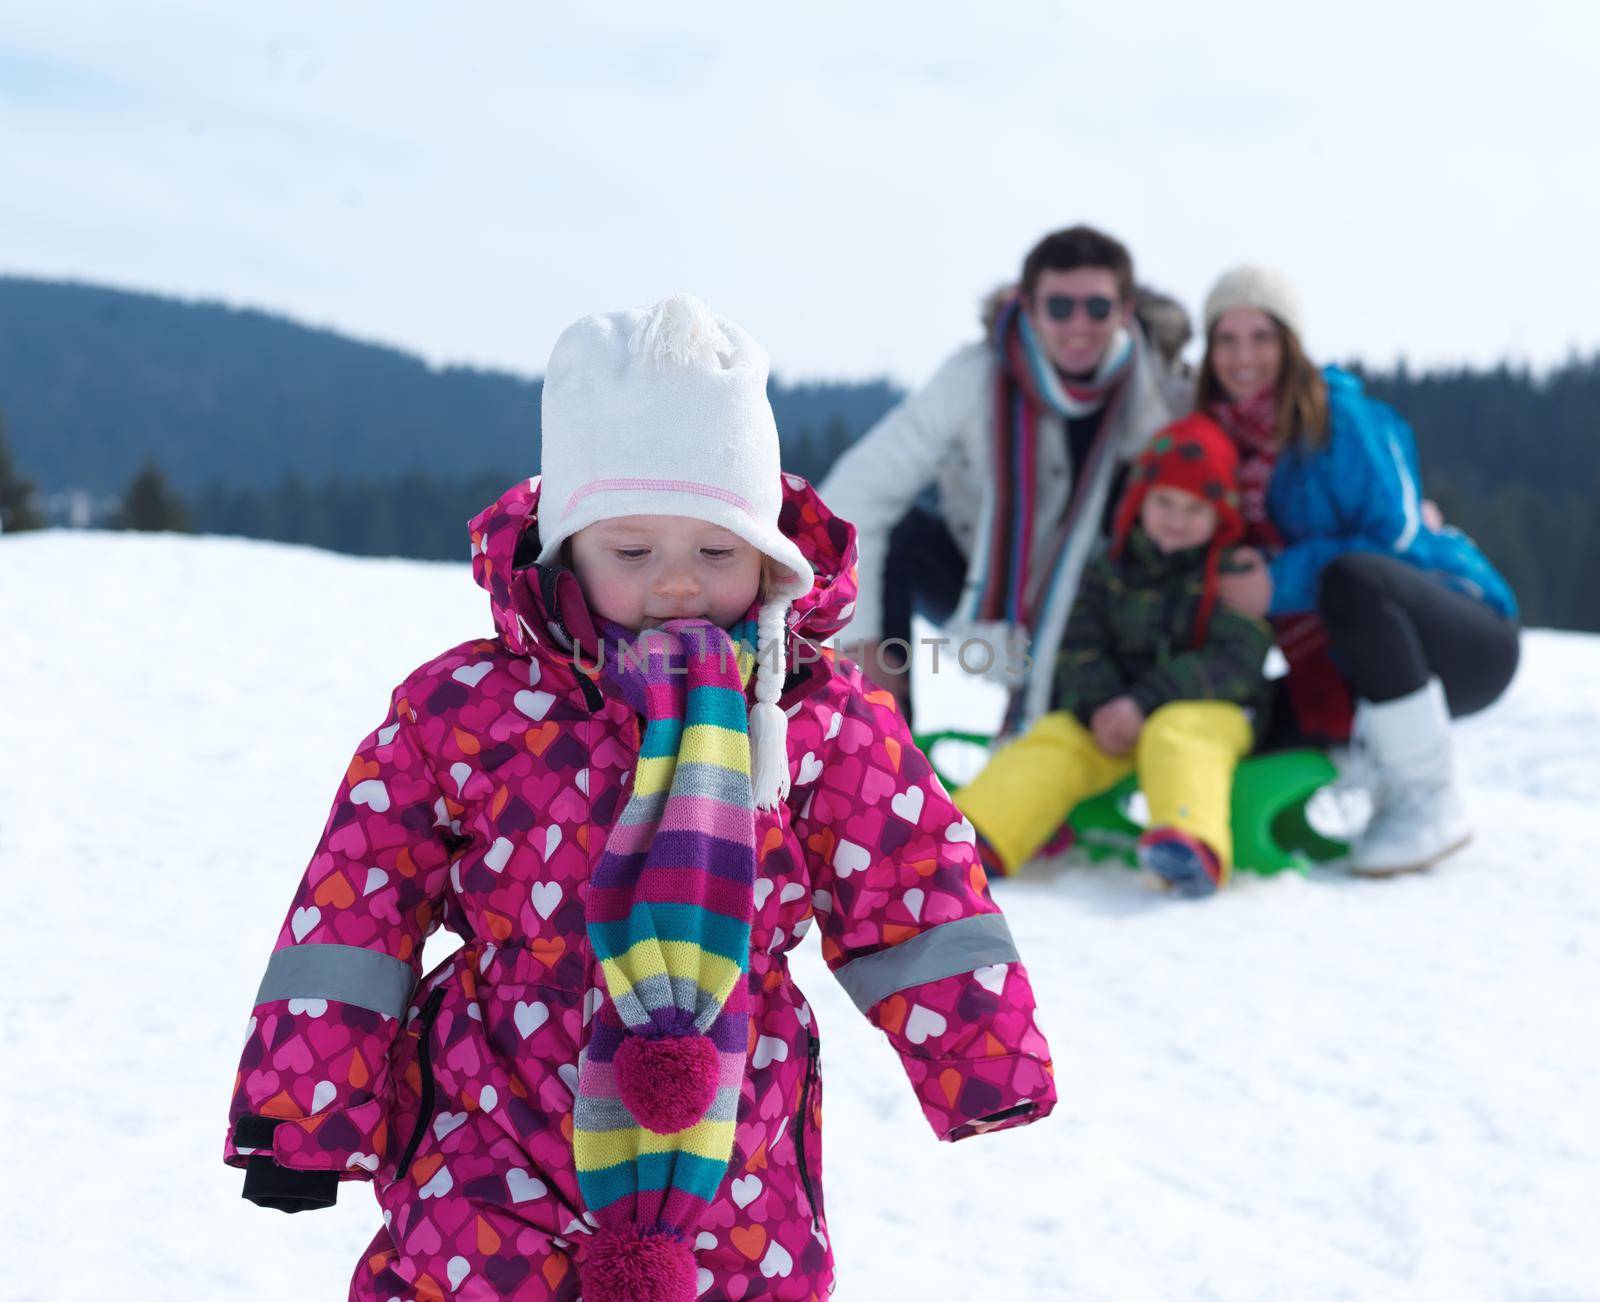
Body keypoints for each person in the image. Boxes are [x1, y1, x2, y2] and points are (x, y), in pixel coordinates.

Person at [222, 294, 1055, 1302]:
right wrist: (303, 1111)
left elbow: (914, 888)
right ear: (565, 545)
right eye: (632, 551)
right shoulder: (465, 707)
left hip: (732, 1132)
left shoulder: (812, 718)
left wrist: (986, 1056)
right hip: (491, 1116)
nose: (676, 585)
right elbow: (357, 902)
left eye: (715, 552)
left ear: (770, 557)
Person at [1198, 266, 1520, 876]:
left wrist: (1277, 580)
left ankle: (1427, 799)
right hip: (1346, 657)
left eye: (1261, 337)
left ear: (1290, 343)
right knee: (1260, 728)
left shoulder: (1340, 418)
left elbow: (1393, 534)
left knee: (1351, 577)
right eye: (1226, 338)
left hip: (1462, 632)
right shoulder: (1219, 442)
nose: (1243, 357)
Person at [820, 225, 1188, 732]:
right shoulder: (972, 379)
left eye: (1097, 308)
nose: (1078, 325)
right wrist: (864, 642)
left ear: (1125, 311)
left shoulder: (1160, 397)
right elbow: (857, 495)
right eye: (1060, 307)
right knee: (901, 534)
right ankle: (882, 742)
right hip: (985, 586)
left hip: (1095, 604)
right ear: (1030, 307)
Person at [953, 414, 1272, 897]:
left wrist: (1144, 703)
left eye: (1195, 508)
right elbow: (1079, 647)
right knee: (1057, 738)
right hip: (1112, 715)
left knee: (1177, 734)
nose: (1177, 519)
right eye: (1165, 502)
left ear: (1219, 516)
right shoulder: (1108, 570)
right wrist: (1101, 704)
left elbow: (1237, 661)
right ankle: (972, 836)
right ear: (1140, 501)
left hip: (1209, 714)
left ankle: (1190, 844)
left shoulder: (1228, 574)